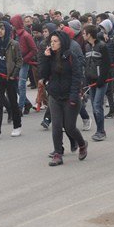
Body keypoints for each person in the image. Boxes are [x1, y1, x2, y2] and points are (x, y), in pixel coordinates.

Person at [41, 30, 87, 166]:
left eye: (55, 41)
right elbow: (43, 74)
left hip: (70, 96)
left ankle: (82, 144)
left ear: (62, 42)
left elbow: (76, 77)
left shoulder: (71, 56)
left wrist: (73, 96)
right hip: (55, 96)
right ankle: (57, 154)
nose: (52, 44)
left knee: (69, 127)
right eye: (51, 41)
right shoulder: (50, 57)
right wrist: (45, 58)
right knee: (56, 126)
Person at [0, 20, 23, 140]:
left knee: (13, 102)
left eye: (3, 29)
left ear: (7, 30)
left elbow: (19, 61)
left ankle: (17, 126)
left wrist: (14, 74)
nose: (0, 31)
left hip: (10, 78)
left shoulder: (14, 44)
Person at [83, 24, 111, 142]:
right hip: (91, 82)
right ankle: (98, 130)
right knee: (94, 107)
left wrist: (101, 79)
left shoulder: (102, 46)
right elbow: (86, 65)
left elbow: (106, 64)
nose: (83, 35)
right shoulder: (87, 47)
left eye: (84, 33)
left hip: (101, 82)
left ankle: (101, 131)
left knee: (97, 105)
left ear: (89, 34)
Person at [10, 15, 37, 115]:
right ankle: (26, 103)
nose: (12, 25)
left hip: (24, 63)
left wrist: (24, 59)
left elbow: (34, 50)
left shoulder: (26, 35)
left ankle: (20, 107)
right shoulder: (13, 34)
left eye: (13, 23)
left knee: (21, 85)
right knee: (16, 85)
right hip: (15, 63)